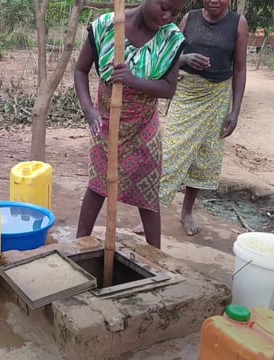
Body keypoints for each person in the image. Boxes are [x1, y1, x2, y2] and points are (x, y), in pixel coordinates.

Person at [74, 0, 188, 249]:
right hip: (106, 123)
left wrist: (133, 80)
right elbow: (80, 70)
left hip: (143, 127)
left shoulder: (171, 38)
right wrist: (89, 110)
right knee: (97, 185)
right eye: (164, 7)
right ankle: (79, 246)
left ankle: (156, 258)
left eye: (176, 12)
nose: (168, 16)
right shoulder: (106, 25)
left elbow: (168, 89)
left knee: (148, 193)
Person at [135, 0, 248, 236]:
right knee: (171, 153)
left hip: (216, 98)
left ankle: (186, 212)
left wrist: (235, 111)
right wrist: (186, 59)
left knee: (204, 157)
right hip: (186, 93)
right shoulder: (189, 18)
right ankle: (150, 213)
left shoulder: (238, 24)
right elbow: (169, 52)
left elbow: (239, 69)